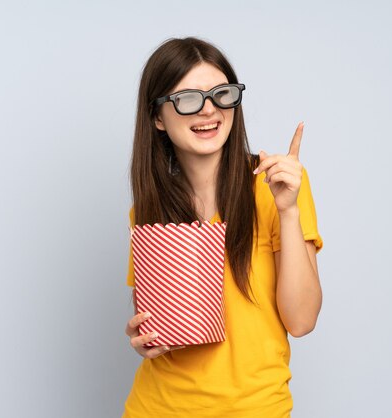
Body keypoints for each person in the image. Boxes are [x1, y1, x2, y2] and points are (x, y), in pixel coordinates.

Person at [122, 37, 322, 418]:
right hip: (156, 407)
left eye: (221, 94)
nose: (209, 110)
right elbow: (155, 326)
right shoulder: (148, 207)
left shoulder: (276, 186)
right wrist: (145, 339)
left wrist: (288, 211)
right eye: (188, 98)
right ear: (157, 117)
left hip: (255, 409)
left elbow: (302, 321)